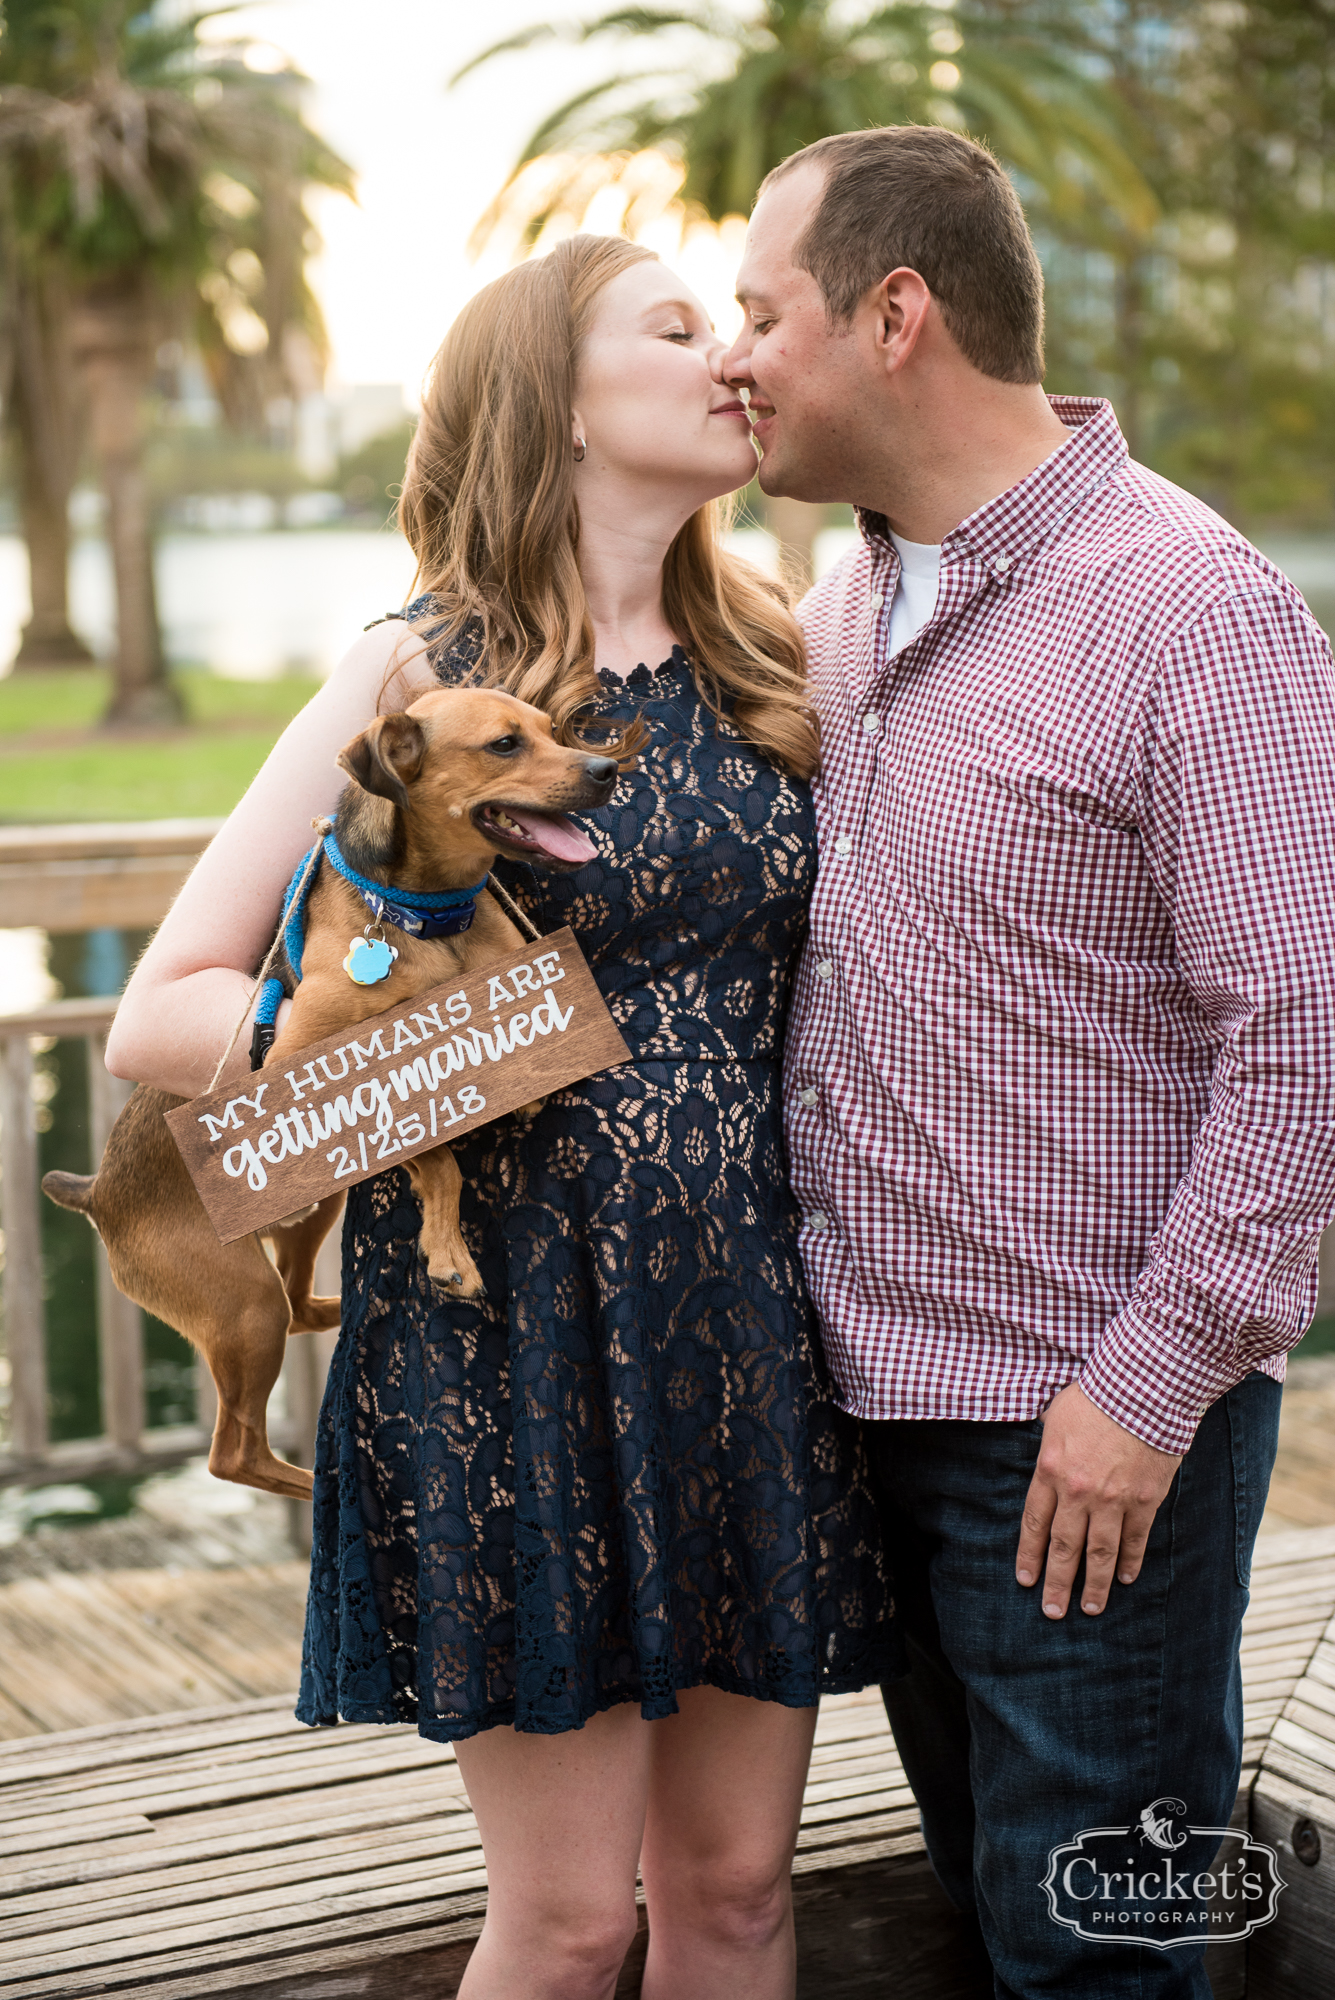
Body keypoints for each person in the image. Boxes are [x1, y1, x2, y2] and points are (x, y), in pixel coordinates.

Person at [106, 232, 895, 2000]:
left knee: (742, 1891)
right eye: (678, 328)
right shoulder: (411, 680)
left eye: (740, 324)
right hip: (503, 1336)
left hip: (747, 1325)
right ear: (556, 399)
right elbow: (163, 1010)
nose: (735, 355)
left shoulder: (779, 654)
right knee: (565, 1921)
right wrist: (395, 1034)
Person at [722, 125, 1335, 1997]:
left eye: (762, 311)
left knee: (1099, 1969)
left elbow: (1301, 1050)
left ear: (893, 314)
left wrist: (1143, 1398)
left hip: (1081, 1440)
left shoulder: (1192, 612)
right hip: (876, 1418)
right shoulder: (836, 616)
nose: (734, 354)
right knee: (993, 1934)